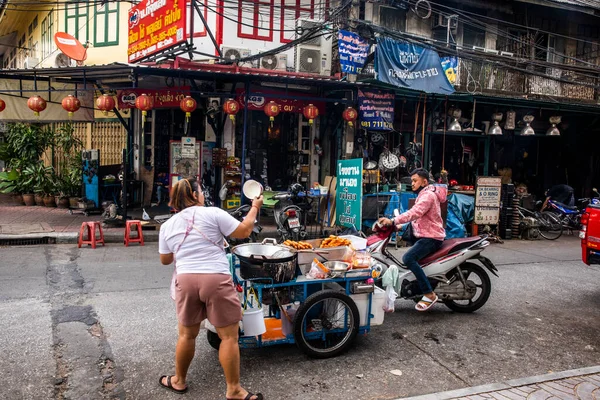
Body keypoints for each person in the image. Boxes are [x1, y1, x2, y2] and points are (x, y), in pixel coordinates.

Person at [158, 178, 264, 399]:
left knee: (187, 335)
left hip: (185, 280)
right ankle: (233, 389)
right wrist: (254, 207)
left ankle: (178, 380)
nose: (203, 194)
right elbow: (244, 231)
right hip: (215, 278)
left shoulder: (168, 225)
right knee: (228, 337)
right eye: (201, 191)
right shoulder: (212, 213)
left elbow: (165, 259)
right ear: (195, 196)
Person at [377, 168, 447, 312]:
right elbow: (419, 217)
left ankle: (429, 293)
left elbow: (415, 213)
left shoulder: (427, 196)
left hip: (431, 237)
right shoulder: (424, 194)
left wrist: (393, 220)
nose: (412, 184)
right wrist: (400, 224)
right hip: (424, 234)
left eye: (415, 181)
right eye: (412, 181)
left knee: (408, 258)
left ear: (425, 181)